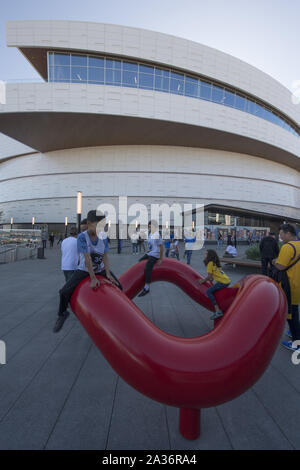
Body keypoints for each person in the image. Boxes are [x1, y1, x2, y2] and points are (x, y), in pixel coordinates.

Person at [53, 210, 122, 333]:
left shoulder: (103, 237)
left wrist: (107, 273)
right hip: (84, 269)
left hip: (100, 268)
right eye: (99, 225)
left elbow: (105, 256)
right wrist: (93, 278)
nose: (101, 228)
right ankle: (62, 314)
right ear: (89, 223)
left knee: (119, 287)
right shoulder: (82, 237)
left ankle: (118, 315)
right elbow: (87, 258)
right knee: (63, 292)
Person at [273, 224, 300, 352]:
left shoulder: (287, 247)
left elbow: (281, 266)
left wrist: (274, 262)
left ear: (288, 233)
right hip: (298, 284)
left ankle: (297, 343)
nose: (280, 237)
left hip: (290, 285)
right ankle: (294, 332)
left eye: (281, 234)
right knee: (294, 310)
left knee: (291, 313)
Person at [198, 249, 231, 320]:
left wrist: (203, 281)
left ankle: (217, 310)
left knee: (208, 291)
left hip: (223, 282)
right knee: (214, 289)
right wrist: (212, 278)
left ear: (209, 256)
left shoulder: (210, 263)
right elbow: (214, 274)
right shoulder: (214, 262)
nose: (205, 255)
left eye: (206, 254)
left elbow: (209, 276)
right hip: (226, 280)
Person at [138, 220, 163, 297]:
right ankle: (142, 281)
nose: (149, 228)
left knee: (148, 267)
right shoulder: (150, 234)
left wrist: (160, 259)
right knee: (140, 262)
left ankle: (147, 287)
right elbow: (150, 244)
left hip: (155, 254)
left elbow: (161, 247)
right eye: (148, 227)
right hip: (150, 253)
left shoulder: (157, 235)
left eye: (151, 227)